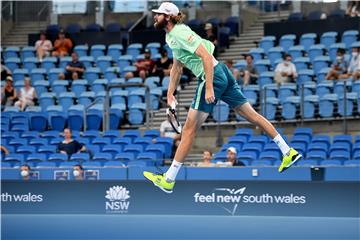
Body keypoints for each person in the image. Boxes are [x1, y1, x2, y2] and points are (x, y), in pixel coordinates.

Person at [143, 2, 301, 193]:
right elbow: (177, 67)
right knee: (253, 116)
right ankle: (287, 151)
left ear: (168, 17)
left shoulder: (180, 32)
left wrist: (209, 87)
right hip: (222, 73)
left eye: (158, 14)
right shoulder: (171, 36)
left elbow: (206, 57)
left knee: (189, 130)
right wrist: (170, 93)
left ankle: (169, 179)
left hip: (213, 76)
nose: (155, 17)